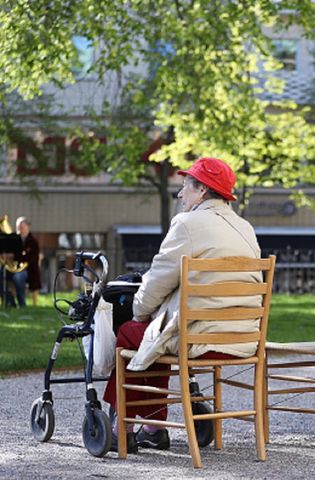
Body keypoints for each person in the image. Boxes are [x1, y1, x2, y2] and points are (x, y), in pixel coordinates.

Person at [103, 157, 263, 452]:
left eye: (185, 186)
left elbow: (157, 281)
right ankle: (152, 428)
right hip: (242, 339)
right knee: (154, 337)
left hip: (200, 340)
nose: (180, 194)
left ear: (202, 190)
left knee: (133, 332)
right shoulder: (246, 228)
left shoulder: (187, 224)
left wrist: (140, 310)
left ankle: (123, 428)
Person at [12, 217, 42, 307]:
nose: (21, 230)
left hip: (29, 270)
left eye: (22, 227)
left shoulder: (33, 241)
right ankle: (10, 302)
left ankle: (22, 304)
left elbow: (29, 258)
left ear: (27, 227)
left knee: (18, 277)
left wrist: (14, 257)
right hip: (15, 268)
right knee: (2, 275)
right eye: (19, 228)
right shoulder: (14, 240)